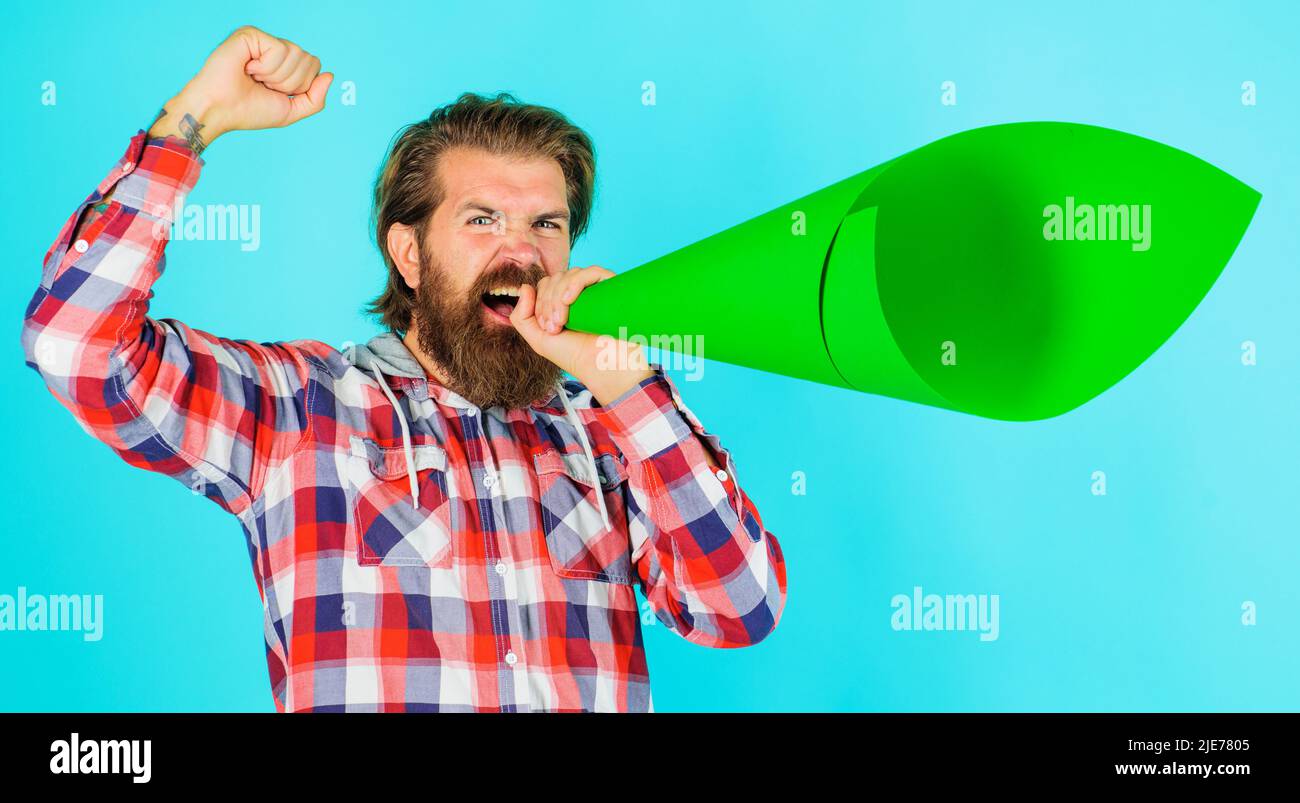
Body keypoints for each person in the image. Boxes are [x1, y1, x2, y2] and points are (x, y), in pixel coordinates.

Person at [21, 25, 787, 712]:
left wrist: (623, 379)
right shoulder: (297, 410)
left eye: (545, 224)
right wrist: (194, 123)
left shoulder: (610, 426)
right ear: (410, 254)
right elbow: (74, 346)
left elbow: (740, 606)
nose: (521, 251)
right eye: (481, 218)